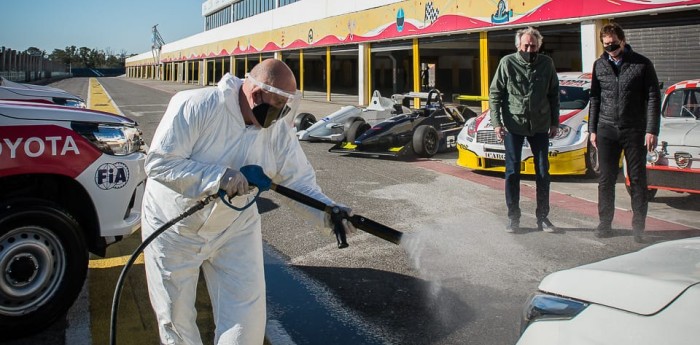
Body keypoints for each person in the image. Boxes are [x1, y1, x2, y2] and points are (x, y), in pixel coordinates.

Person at [141, 58, 354, 345]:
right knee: (176, 320)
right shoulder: (197, 105)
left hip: (234, 226)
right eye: (276, 103)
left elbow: (298, 182)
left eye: (285, 105)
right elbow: (158, 163)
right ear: (255, 95)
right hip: (175, 227)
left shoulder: (277, 129)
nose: (280, 113)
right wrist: (218, 177)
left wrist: (329, 213)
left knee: (247, 321)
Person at [588, 22, 660, 243]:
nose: (610, 49)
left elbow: (653, 98)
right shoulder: (599, 65)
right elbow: (595, 98)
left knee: (637, 180)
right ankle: (604, 224)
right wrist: (592, 129)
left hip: (634, 130)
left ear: (623, 40)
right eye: (606, 45)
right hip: (606, 129)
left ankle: (638, 229)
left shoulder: (642, 64)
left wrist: (651, 129)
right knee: (606, 179)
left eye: (614, 44)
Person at [489, 26, 560, 233]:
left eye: (534, 46)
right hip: (514, 126)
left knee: (542, 171)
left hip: (539, 126)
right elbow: (495, 95)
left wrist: (554, 122)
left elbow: (554, 95)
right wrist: (497, 123)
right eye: (526, 45)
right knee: (512, 172)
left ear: (539, 46)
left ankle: (543, 217)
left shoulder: (547, 64)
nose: (530, 49)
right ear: (518, 45)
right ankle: (513, 217)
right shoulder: (507, 63)